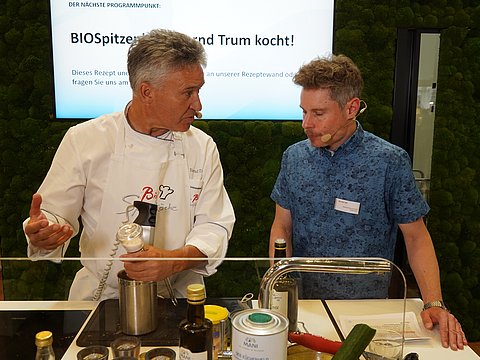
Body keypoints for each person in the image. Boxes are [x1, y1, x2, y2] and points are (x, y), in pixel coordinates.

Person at [269, 54, 467, 350]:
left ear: (351, 108)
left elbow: (416, 237)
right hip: (303, 307)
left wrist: (434, 302)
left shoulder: (389, 161)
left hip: (366, 312)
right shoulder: (295, 157)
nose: (306, 124)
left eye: (318, 113)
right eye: (304, 111)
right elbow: (281, 226)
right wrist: (277, 290)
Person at [23, 29, 235, 301]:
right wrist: (45, 233)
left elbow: (214, 225)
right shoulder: (85, 139)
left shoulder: (202, 147)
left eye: (199, 91)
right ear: (147, 91)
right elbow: (54, 216)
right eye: (188, 92)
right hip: (102, 297)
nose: (198, 105)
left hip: (179, 298)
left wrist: (172, 261)